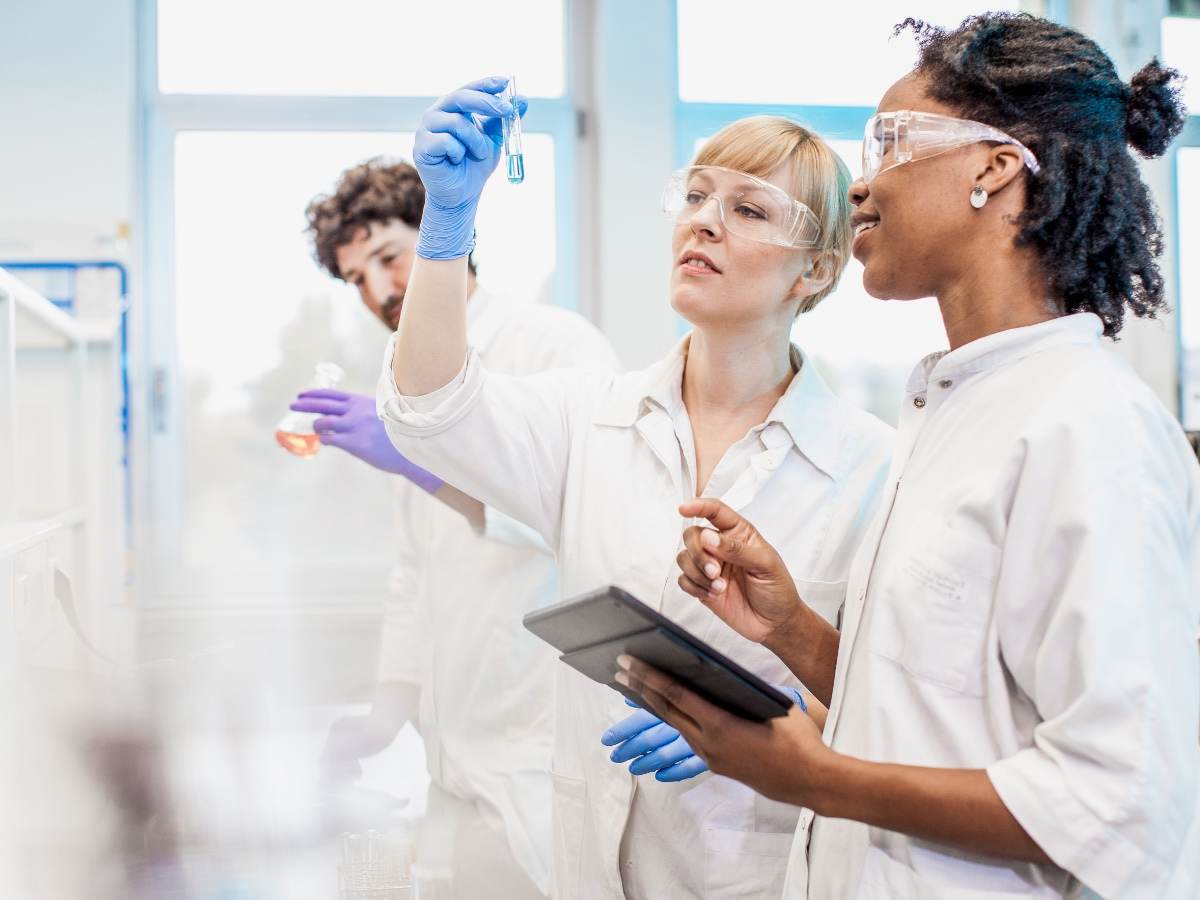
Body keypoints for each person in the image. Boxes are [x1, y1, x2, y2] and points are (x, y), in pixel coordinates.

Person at [622, 12, 1200, 899]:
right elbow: (945, 708)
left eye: (889, 142)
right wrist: (794, 633)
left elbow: (1123, 802)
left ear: (995, 167)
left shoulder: (1090, 426)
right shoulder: (956, 406)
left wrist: (814, 779)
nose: (861, 184)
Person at [375, 76, 896, 899]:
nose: (703, 220)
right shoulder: (590, 417)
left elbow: (895, 703)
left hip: (757, 871)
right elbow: (432, 414)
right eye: (696, 196)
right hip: (587, 867)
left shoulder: (875, 470)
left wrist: (770, 720)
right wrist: (447, 229)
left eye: (749, 209)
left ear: (817, 270)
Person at [295, 158, 619, 898]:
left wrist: (418, 462)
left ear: (447, 236)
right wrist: (385, 714)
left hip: (543, 748)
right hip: (455, 758)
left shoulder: (555, 345)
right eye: (355, 278)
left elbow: (592, 521)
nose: (379, 289)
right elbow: (416, 566)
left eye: (388, 256)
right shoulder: (397, 374)